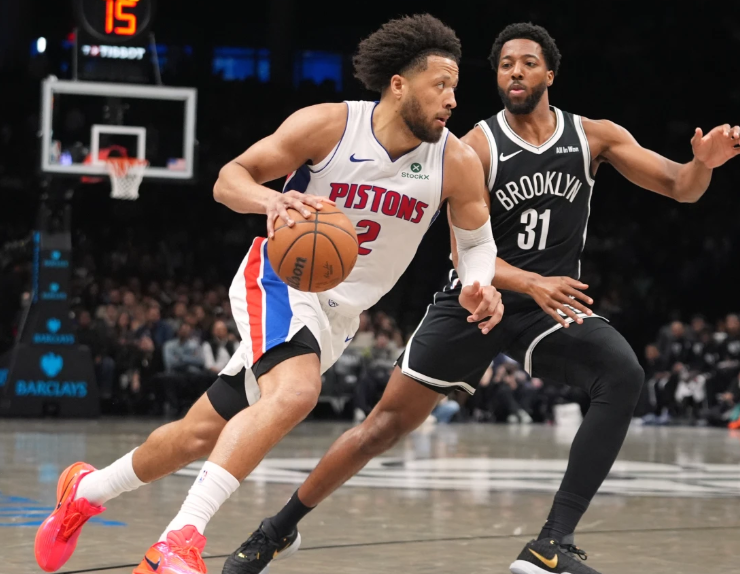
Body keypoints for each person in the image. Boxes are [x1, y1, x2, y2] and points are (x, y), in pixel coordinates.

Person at [222, 22, 740, 574]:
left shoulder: (594, 136)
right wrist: (529, 282)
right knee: (381, 428)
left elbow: (680, 186)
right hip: (474, 301)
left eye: (527, 62)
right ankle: (276, 528)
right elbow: (466, 254)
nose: (515, 72)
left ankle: (552, 544)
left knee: (623, 374)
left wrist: (703, 164)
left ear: (550, 74)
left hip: (546, 307)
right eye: (505, 65)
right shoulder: (474, 147)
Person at [33, 15, 503, 574]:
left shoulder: (455, 161)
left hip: (338, 318)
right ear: (398, 84)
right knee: (297, 392)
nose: (452, 99)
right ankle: (178, 541)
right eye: (440, 84)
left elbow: (477, 242)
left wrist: (479, 283)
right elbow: (229, 178)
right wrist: (271, 202)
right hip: (281, 278)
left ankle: (84, 492)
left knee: (199, 434)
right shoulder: (329, 126)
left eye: (455, 87)